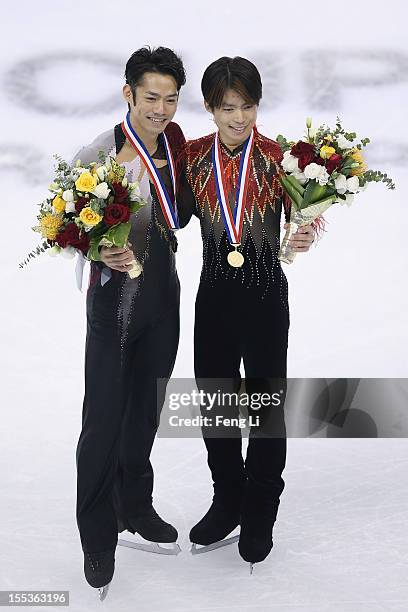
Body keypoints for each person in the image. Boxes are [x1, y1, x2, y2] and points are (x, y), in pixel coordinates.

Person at [179, 56, 315, 571]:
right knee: (214, 398)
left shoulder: (278, 159)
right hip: (212, 294)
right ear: (210, 108)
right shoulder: (193, 157)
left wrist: (302, 232)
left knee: (263, 403)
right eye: (228, 108)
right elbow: (175, 214)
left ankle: (261, 504)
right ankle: (227, 495)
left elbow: (302, 218)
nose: (239, 118)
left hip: (264, 295)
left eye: (249, 106)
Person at [74, 46, 187, 599]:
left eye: (169, 99)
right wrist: (98, 250)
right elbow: (67, 227)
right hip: (114, 307)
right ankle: (98, 536)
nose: (161, 109)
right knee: (102, 423)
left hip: (163, 301)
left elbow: (189, 211)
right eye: (151, 98)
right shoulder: (100, 151)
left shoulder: (180, 145)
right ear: (128, 94)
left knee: (144, 414)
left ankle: (135, 508)